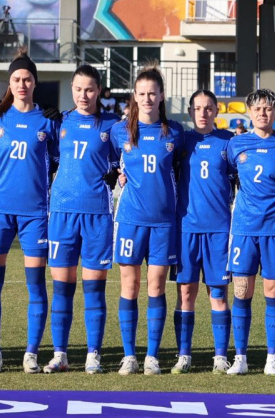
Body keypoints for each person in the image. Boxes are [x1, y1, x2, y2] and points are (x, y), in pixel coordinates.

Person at [0, 48, 58, 373]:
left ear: (35, 82)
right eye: (16, 79)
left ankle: (31, 354)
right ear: (9, 84)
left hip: (35, 215)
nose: (22, 84)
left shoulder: (49, 122)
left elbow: (59, 160)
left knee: (35, 284)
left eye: (27, 78)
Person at [43, 64, 120, 374]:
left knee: (93, 289)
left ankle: (93, 355)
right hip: (61, 213)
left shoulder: (111, 125)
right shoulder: (58, 122)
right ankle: (60, 354)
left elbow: (129, 151)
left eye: (89, 89)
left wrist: (117, 172)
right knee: (62, 288)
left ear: (98, 91)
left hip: (97, 216)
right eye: (78, 89)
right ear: (71, 90)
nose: (83, 95)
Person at [110, 63, 184, 375]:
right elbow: (109, 163)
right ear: (135, 97)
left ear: (162, 96)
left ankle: (152, 355)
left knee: (156, 287)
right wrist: (117, 174)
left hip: (164, 222)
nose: (147, 98)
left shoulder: (175, 133)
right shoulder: (119, 131)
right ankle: (129, 355)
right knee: (130, 285)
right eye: (142, 93)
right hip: (130, 220)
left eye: (152, 93)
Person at [226, 89, 275, 376]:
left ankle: (273, 358)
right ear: (248, 111)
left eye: (268, 109)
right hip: (245, 228)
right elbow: (230, 177)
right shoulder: (236, 144)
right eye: (257, 108)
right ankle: (241, 357)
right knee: (242, 292)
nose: (262, 113)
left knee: (274, 293)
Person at [165, 89, 234, 375]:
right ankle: (184, 355)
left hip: (219, 230)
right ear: (190, 111)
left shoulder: (229, 142)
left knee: (217, 293)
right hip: (186, 228)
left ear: (217, 111)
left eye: (208, 108)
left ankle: (220, 356)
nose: (203, 113)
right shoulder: (181, 140)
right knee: (185, 294)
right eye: (197, 108)